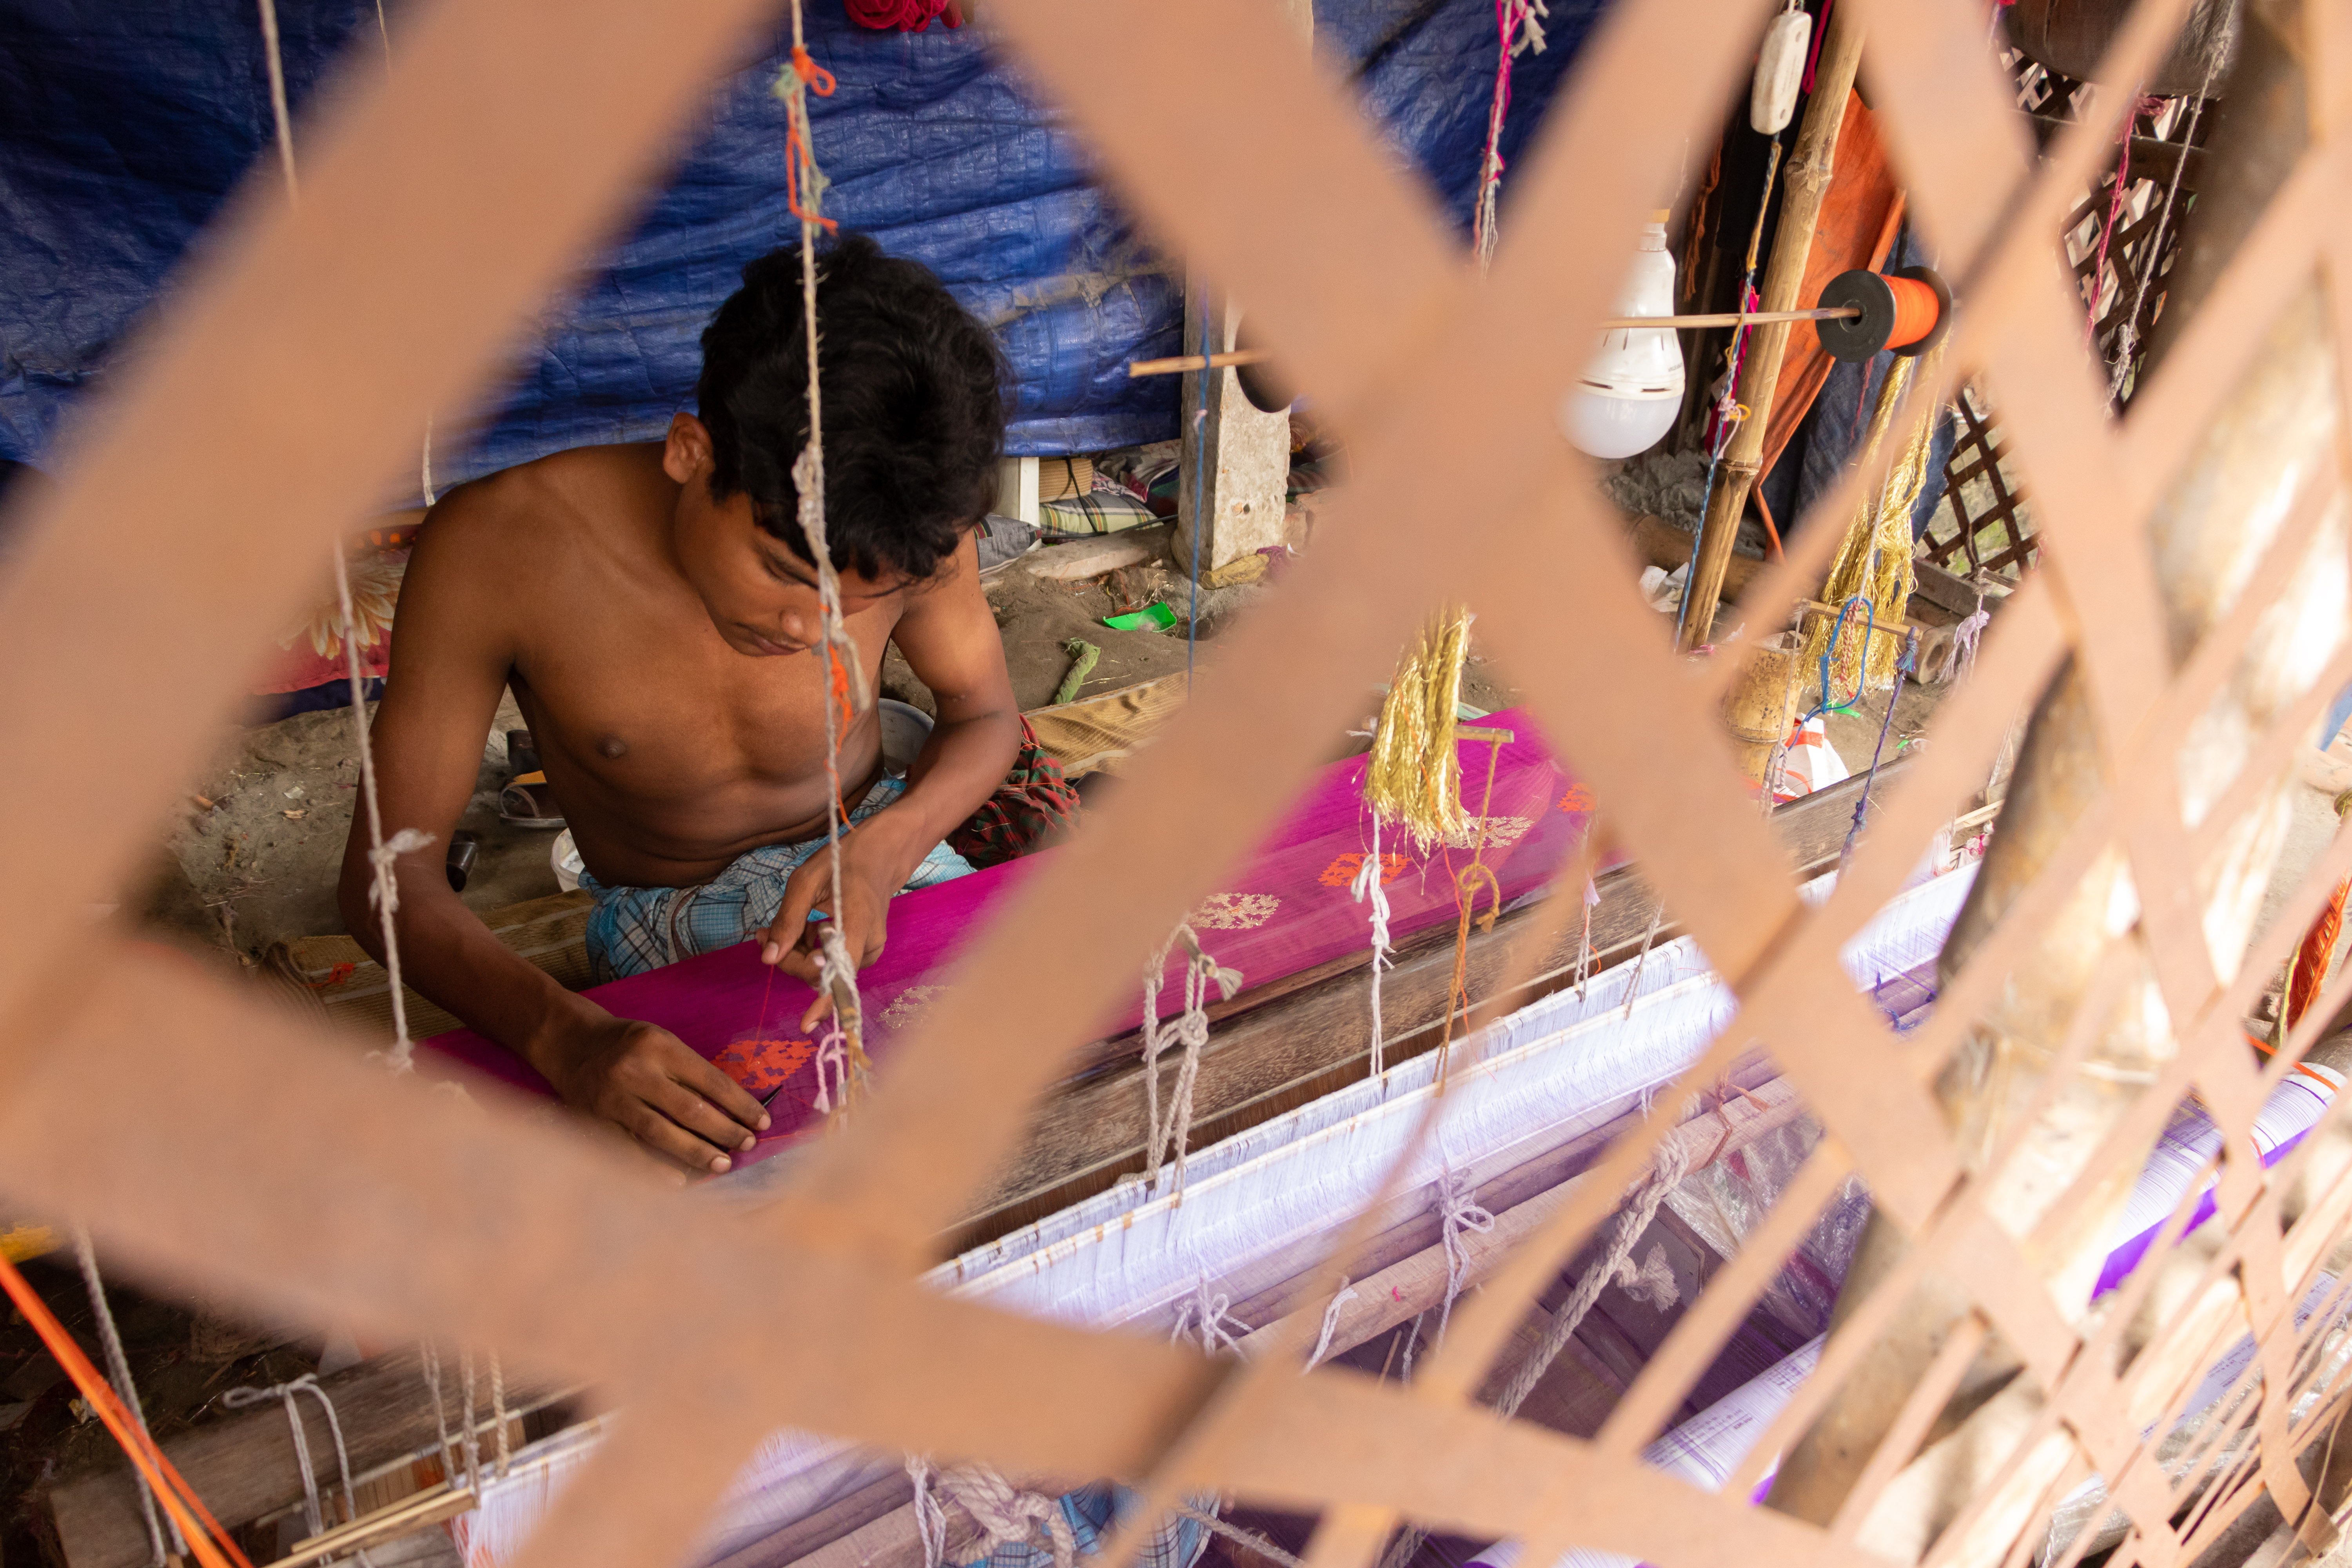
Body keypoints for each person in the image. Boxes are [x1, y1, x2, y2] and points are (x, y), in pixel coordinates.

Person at [339, 235, 1029, 1176]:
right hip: (666, 912)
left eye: (860, 605)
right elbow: (389, 876)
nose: (814, 630)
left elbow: (985, 714)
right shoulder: (500, 549)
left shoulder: (913, 528)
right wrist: (566, 1038)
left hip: (874, 854)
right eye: (786, 576)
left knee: (1051, 1085)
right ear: (690, 453)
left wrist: (887, 847)